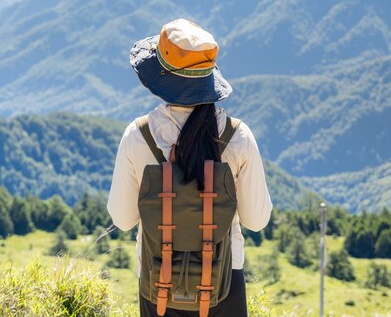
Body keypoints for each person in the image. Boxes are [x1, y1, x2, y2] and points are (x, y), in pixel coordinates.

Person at [107, 19, 272, 316]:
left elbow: (122, 219)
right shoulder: (238, 136)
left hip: (158, 283)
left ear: (160, 77)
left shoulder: (138, 135)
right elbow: (257, 220)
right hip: (223, 284)